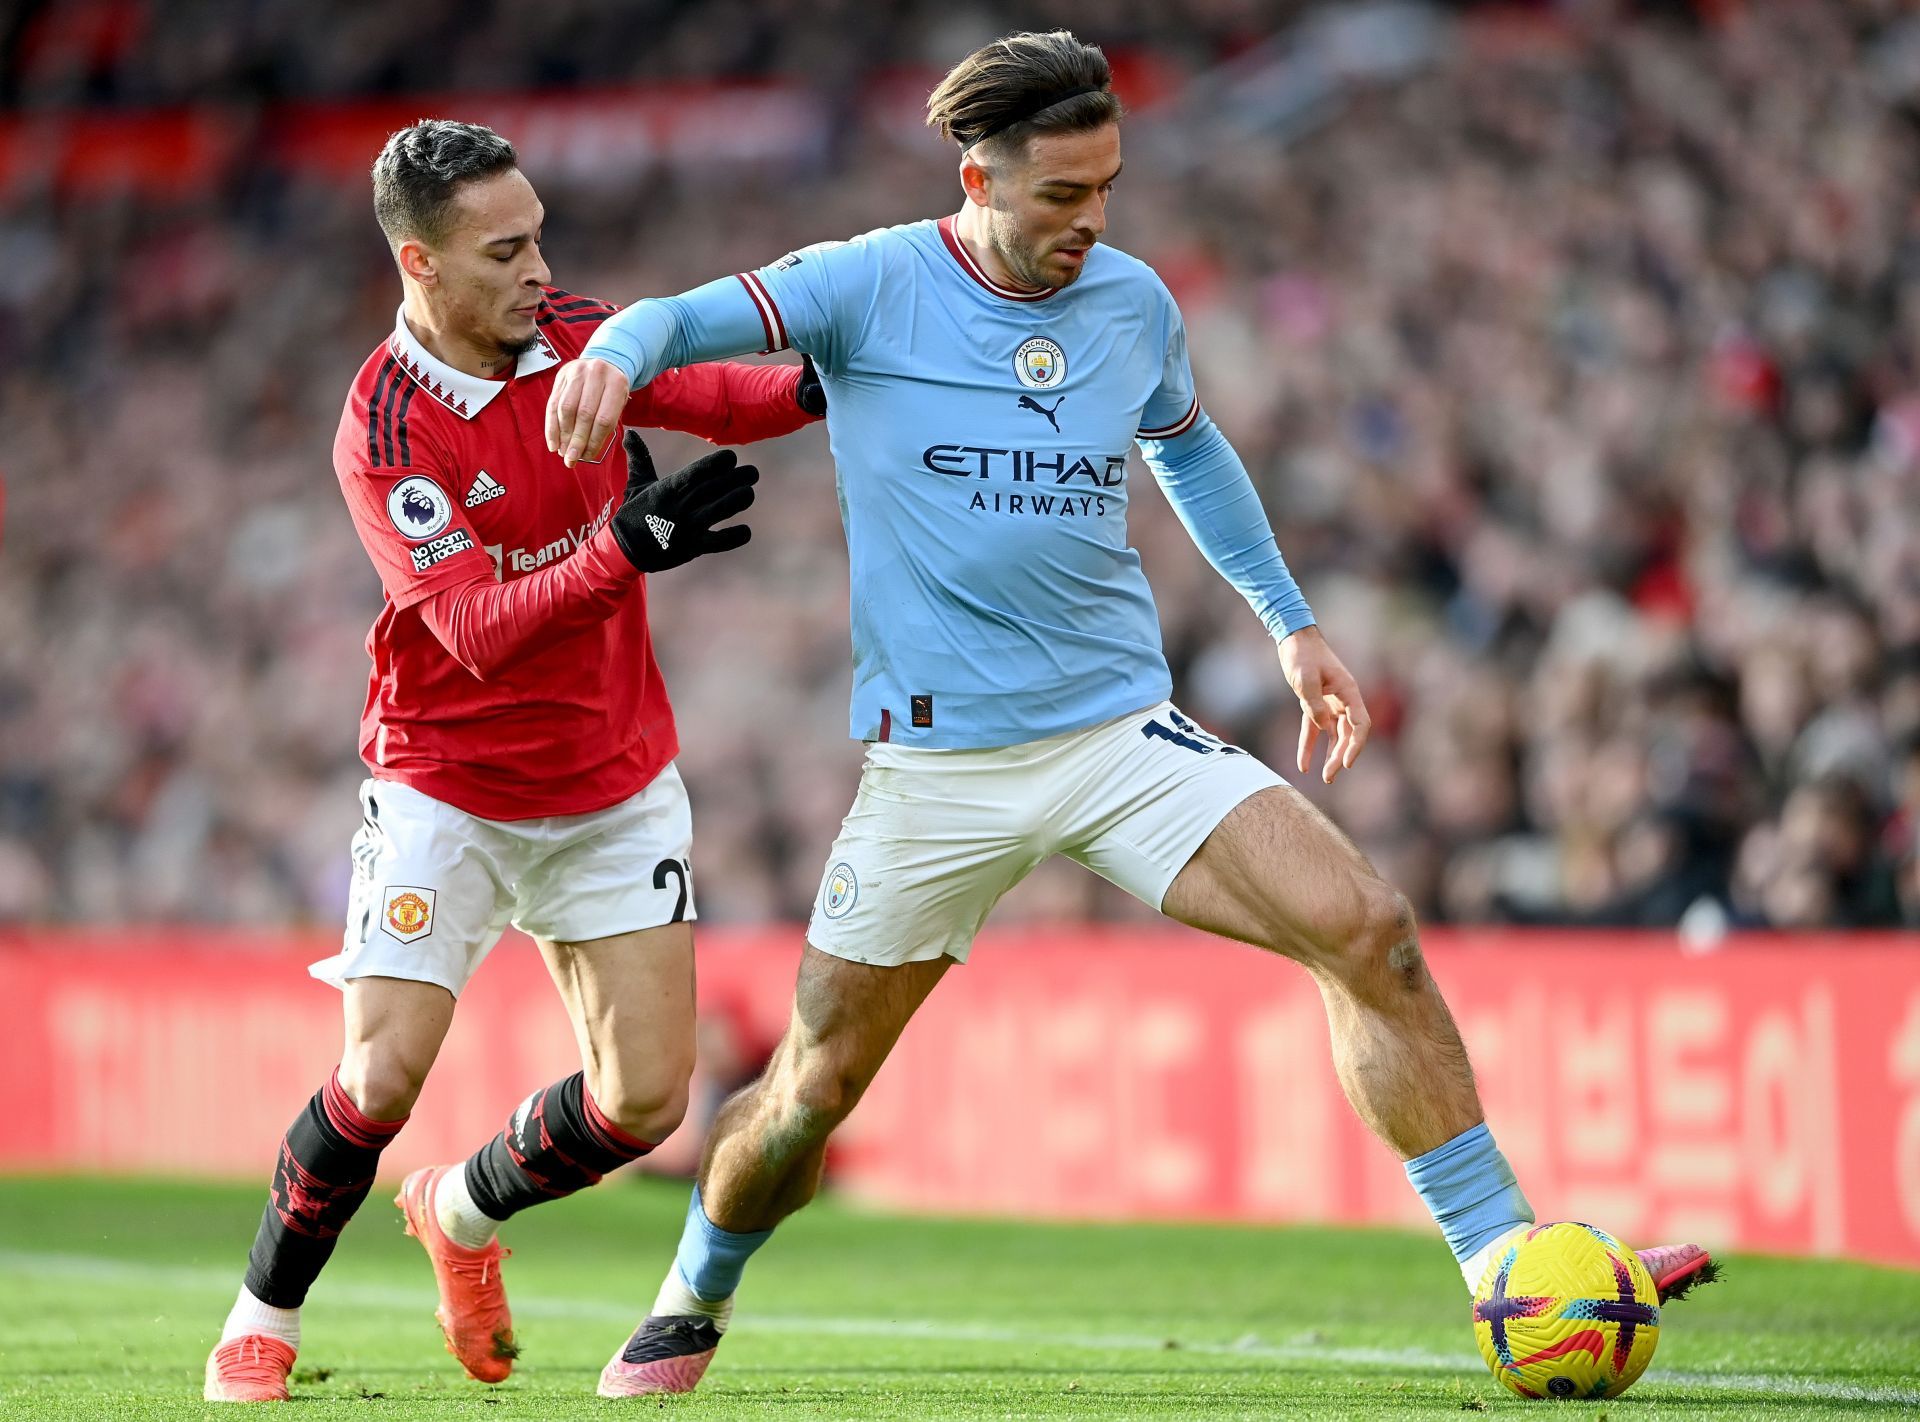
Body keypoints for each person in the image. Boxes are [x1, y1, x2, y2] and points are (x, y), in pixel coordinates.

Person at [546, 31, 1715, 1400]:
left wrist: (1291, 622)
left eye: (1107, 189)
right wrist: (613, 356)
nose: (1090, 221)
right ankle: (695, 1288)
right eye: (1061, 195)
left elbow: (1189, 441)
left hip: (1116, 735)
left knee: (1370, 933)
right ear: (977, 175)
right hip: (937, 766)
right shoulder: (869, 283)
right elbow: (680, 318)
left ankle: (1504, 1260)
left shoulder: (1131, 302)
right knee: (809, 1090)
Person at [202, 119, 823, 1403]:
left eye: (541, 234)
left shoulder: (578, 337)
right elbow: (475, 630)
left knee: (647, 1104)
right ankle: (259, 1316)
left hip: (611, 778)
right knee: (378, 1078)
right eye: (508, 249)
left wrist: (852, 371)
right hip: (448, 781)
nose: (542, 267)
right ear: (422, 265)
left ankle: (462, 1214)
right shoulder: (384, 430)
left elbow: (733, 395)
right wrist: (623, 552)